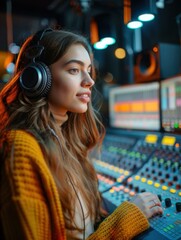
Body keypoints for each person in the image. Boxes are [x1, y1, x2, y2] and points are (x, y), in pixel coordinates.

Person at [0, 28, 163, 240]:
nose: (89, 81)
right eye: (74, 70)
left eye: (88, 69)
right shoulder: (20, 150)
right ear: (37, 78)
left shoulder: (63, 137)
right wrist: (123, 221)